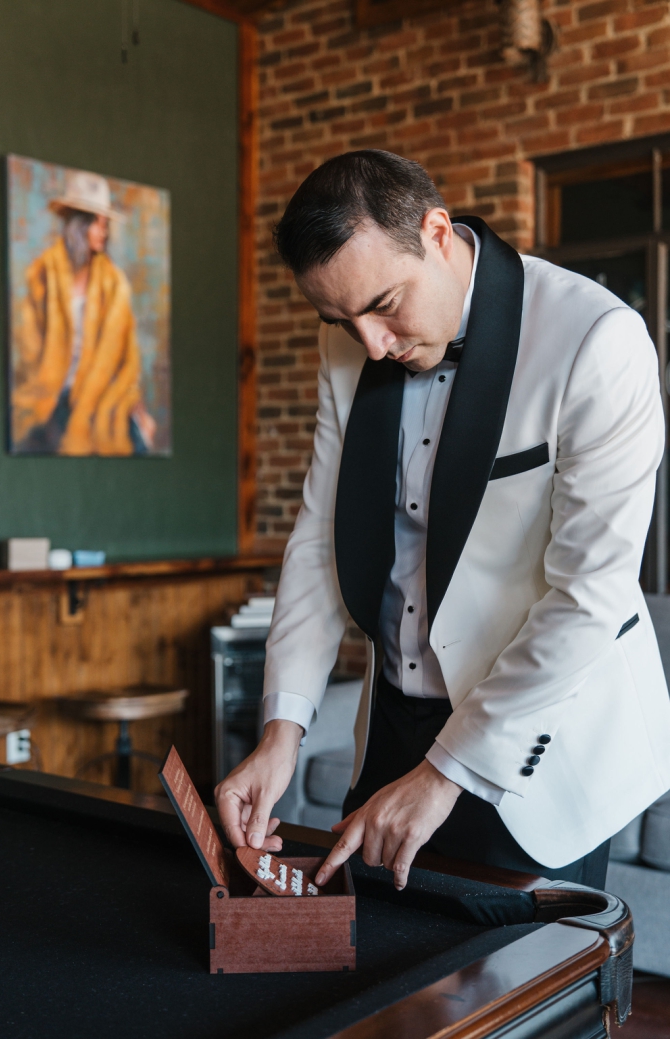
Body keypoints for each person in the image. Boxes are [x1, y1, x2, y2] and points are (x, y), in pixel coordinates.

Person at [215, 149, 670, 892]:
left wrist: (449, 770)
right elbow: (318, 537)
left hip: (539, 743)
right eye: (340, 318)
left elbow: (589, 594)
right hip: (394, 723)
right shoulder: (351, 343)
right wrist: (281, 731)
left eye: (384, 304)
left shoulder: (598, 341)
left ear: (434, 230)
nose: (371, 345)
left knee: (520, 997)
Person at [12, 169, 156, 455]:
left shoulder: (115, 285)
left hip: (100, 394)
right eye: (96, 223)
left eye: (105, 224)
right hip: (53, 392)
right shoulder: (42, 275)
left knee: (136, 444)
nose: (103, 231)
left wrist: (137, 409)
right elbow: (28, 348)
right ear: (79, 225)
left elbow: (126, 360)